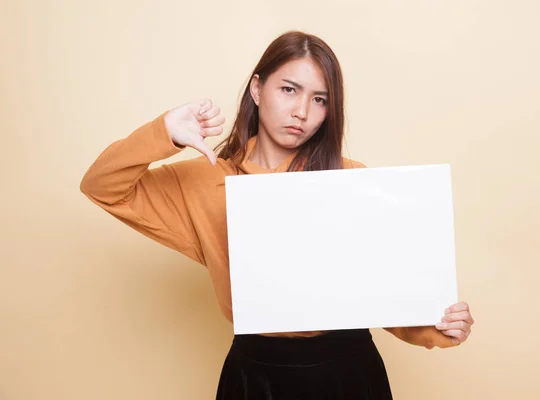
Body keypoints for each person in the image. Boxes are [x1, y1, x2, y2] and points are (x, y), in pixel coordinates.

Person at [80, 31, 474, 399]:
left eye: (319, 99)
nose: (301, 111)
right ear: (256, 88)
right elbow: (102, 186)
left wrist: (436, 326)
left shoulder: (350, 178)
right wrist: (164, 131)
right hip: (256, 375)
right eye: (289, 90)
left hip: (349, 371)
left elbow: (379, 292)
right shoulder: (203, 180)